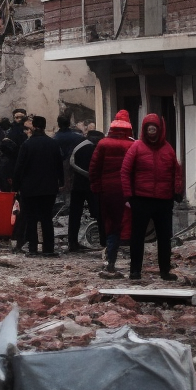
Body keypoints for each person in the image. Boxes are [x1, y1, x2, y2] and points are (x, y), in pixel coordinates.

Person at [121, 113, 184, 282]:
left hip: (164, 200)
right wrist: (128, 195)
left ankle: (165, 271)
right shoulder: (136, 147)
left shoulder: (168, 149)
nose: (151, 131)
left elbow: (176, 171)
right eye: (149, 128)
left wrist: (177, 190)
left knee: (165, 237)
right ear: (144, 129)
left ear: (159, 129)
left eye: (154, 128)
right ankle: (135, 271)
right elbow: (125, 171)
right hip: (141, 199)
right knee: (137, 236)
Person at [90, 111, 136, 277]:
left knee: (111, 224)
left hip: (107, 190)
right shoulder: (133, 145)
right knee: (130, 225)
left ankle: (111, 259)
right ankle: (135, 265)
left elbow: (94, 168)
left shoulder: (103, 144)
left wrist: (96, 187)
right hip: (127, 191)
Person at [13, 115, 63, 257]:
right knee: (47, 218)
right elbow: (59, 165)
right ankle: (48, 248)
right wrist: (61, 182)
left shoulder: (27, 145)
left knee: (31, 218)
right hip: (49, 188)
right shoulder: (53, 144)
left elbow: (19, 167)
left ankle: (33, 248)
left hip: (30, 188)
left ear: (34, 126)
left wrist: (16, 186)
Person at [67, 129, 102, 253]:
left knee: (75, 215)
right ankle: (104, 241)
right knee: (99, 212)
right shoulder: (91, 147)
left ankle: (72, 242)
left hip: (77, 185)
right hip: (90, 185)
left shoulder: (78, 144)